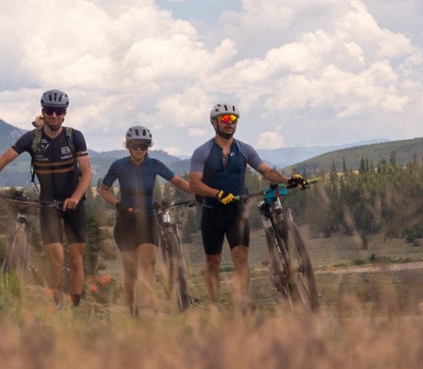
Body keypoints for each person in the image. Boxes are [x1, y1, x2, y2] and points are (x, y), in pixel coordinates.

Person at [0, 89, 92, 306]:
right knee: (56, 259)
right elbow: (2, 161)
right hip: (48, 205)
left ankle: (77, 307)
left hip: (74, 205)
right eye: (50, 111)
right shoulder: (32, 139)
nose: (54, 116)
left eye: (59, 111)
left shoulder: (74, 136)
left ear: (65, 113)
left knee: (76, 259)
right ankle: (56, 303)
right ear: (43, 111)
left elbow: (87, 172)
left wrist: (76, 197)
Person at [188, 103, 303, 312]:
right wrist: (217, 194)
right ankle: (214, 305)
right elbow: (194, 183)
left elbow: (266, 170)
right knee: (213, 261)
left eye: (233, 120)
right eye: (224, 119)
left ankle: (242, 302)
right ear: (213, 122)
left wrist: (288, 180)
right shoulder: (202, 152)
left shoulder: (244, 149)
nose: (229, 123)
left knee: (240, 257)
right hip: (212, 212)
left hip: (237, 212)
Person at [98, 125, 192, 315]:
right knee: (131, 272)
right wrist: (117, 204)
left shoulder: (154, 164)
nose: (139, 149)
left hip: (148, 220)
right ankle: (134, 310)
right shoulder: (118, 166)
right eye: (135, 145)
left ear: (148, 146)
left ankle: (147, 306)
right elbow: (103, 190)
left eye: (143, 145)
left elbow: (178, 182)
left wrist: (199, 192)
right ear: (128, 145)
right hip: (126, 222)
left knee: (148, 264)